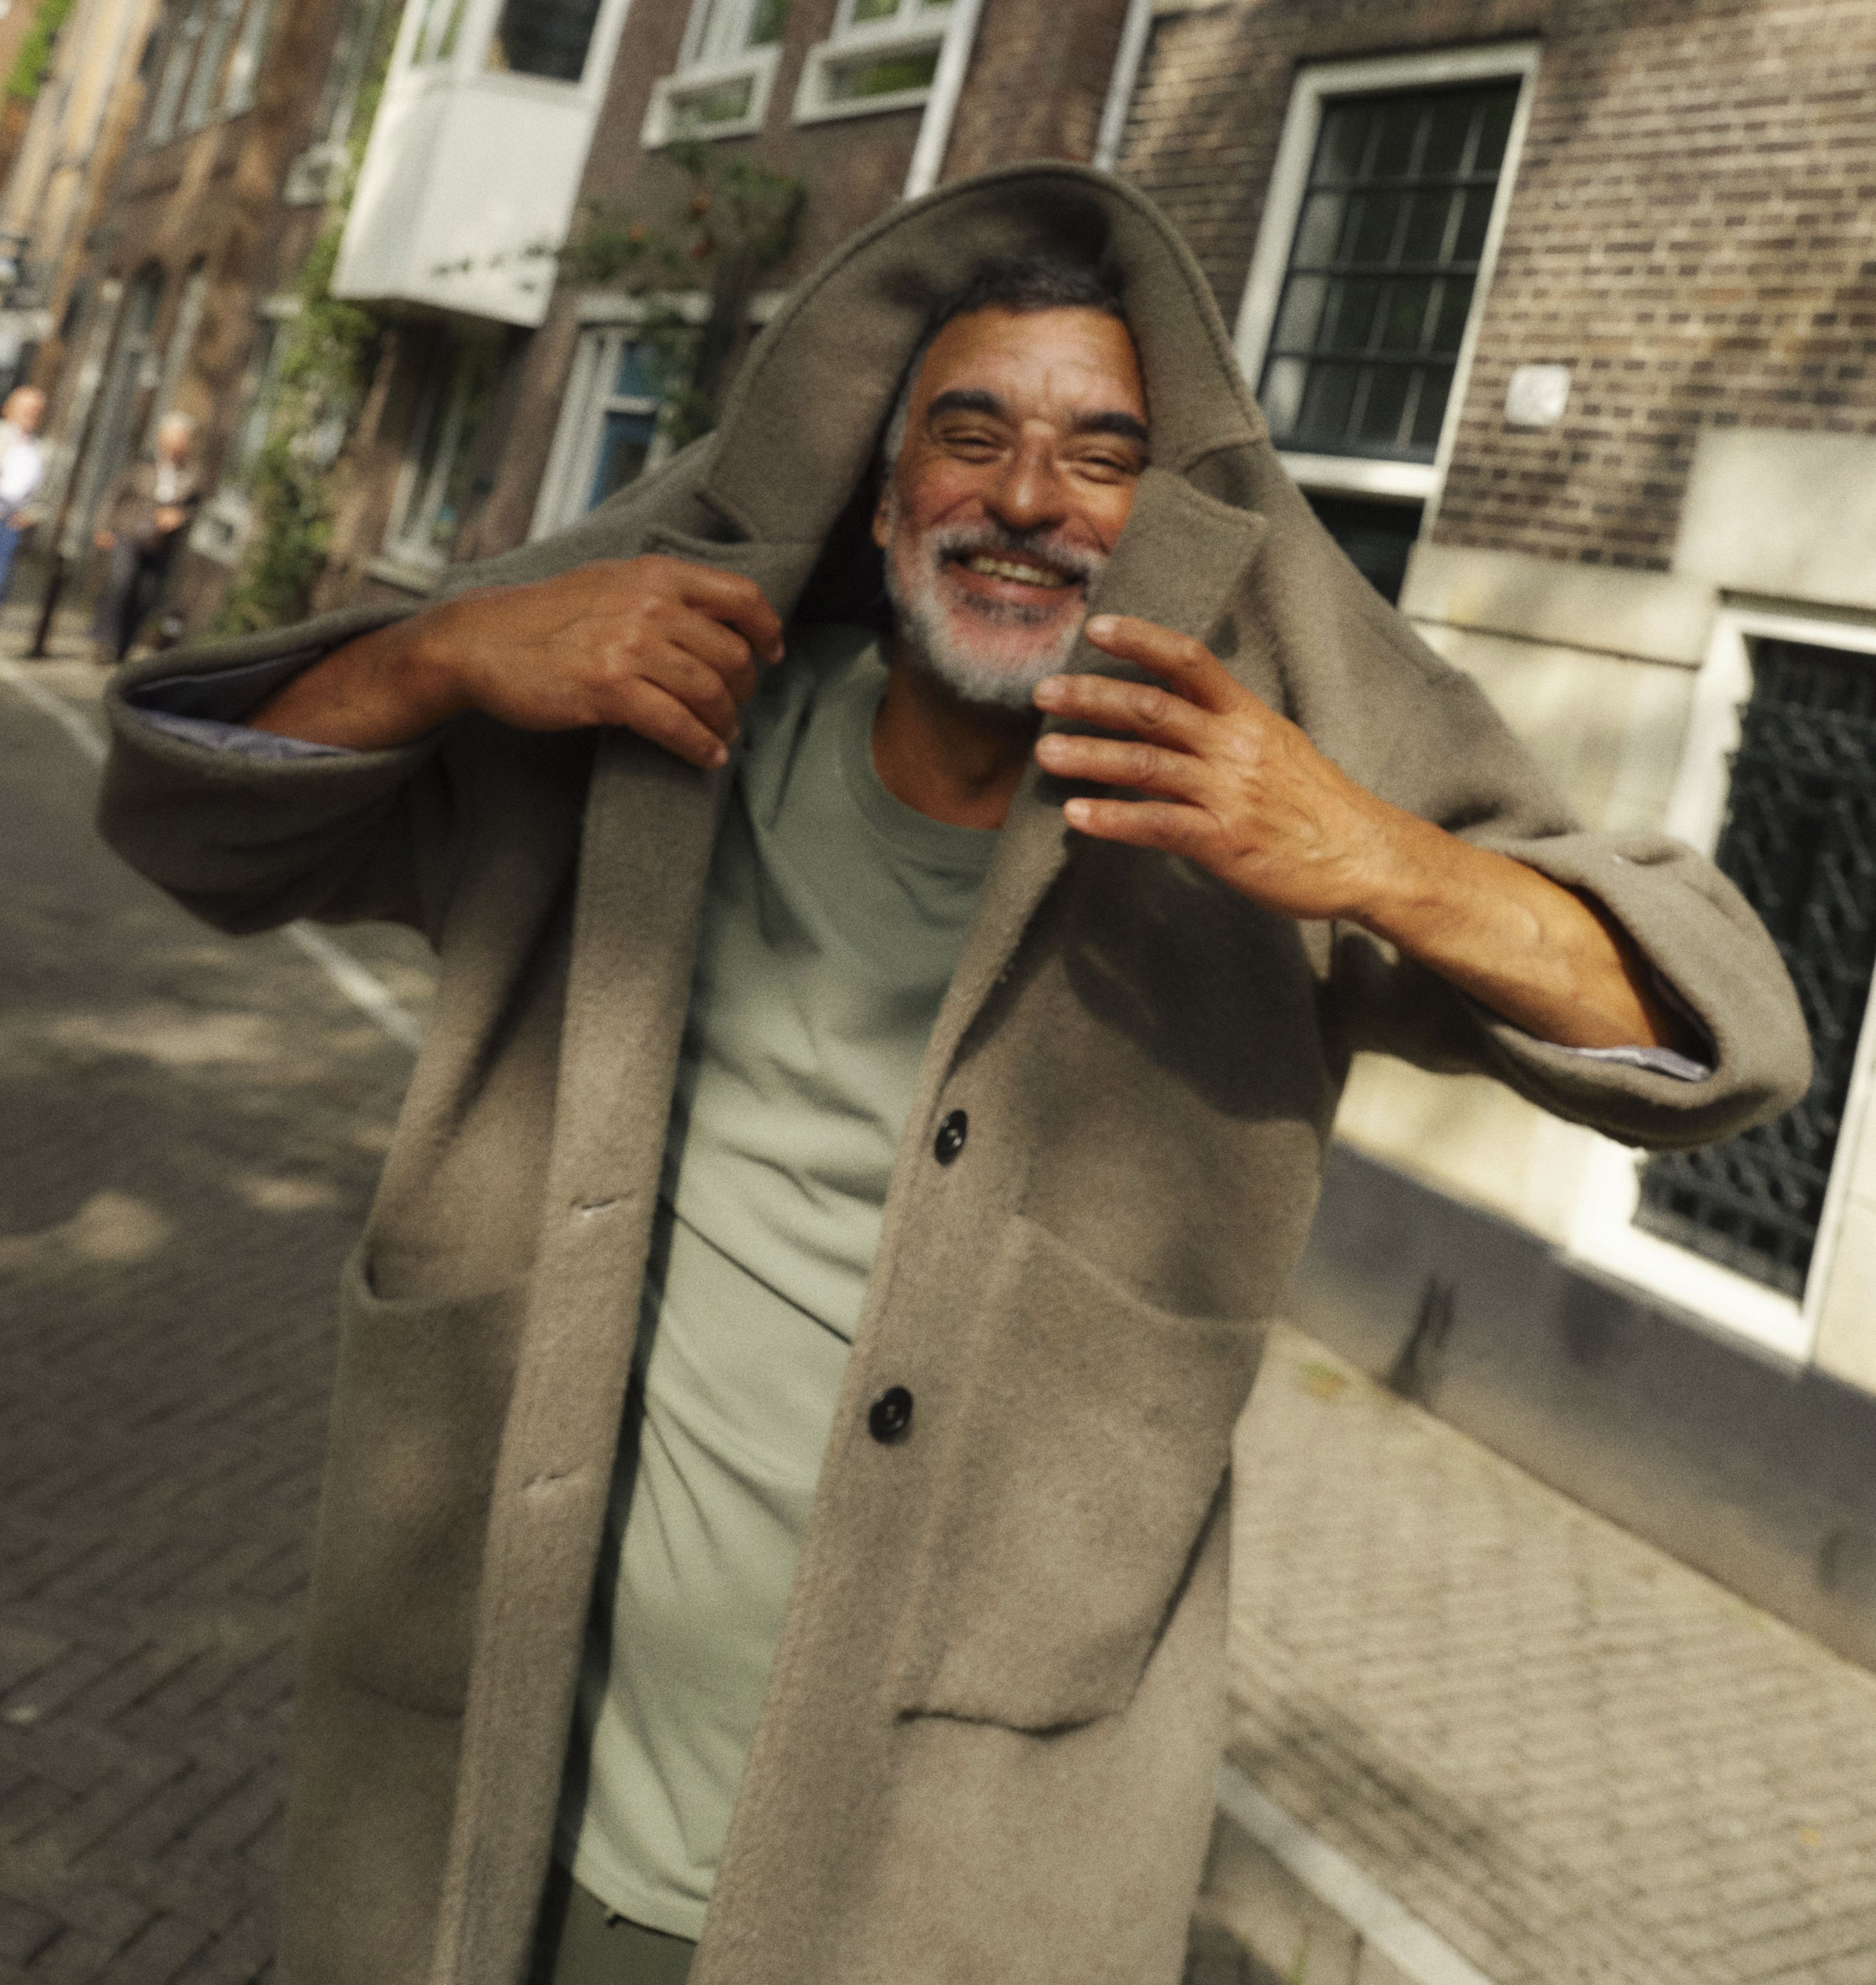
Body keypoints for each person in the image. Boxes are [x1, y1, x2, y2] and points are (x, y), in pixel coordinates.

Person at [98, 167, 1809, 1985]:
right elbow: (192, 820)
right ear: (881, 482)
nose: (1027, 497)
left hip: (936, 1903)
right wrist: (436, 650)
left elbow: (1723, 1035)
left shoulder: (1250, 825)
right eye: (971, 434)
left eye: (1099, 455)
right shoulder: (644, 737)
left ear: (1164, 524)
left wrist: (1373, 852)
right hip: (502, 1811)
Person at [91, 409, 203, 664]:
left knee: (146, 596)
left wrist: (179, 517)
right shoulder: (141, 465)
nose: (177, 444)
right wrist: (103, 527)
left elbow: (194, 510)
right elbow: (115, 495)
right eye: (173, 437)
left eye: (182, 439)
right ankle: (104, 641)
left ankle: (124, 646)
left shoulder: (191, 476)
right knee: (122, 585)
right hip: (128, 534)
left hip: (161, 545)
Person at [0, 383, 47, 604]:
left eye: (37, 410)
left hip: (12, 524)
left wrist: (32, 515)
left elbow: (47, 493)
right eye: (27, 409)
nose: (32, 414)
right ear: (10, 408)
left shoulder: (42, 448)